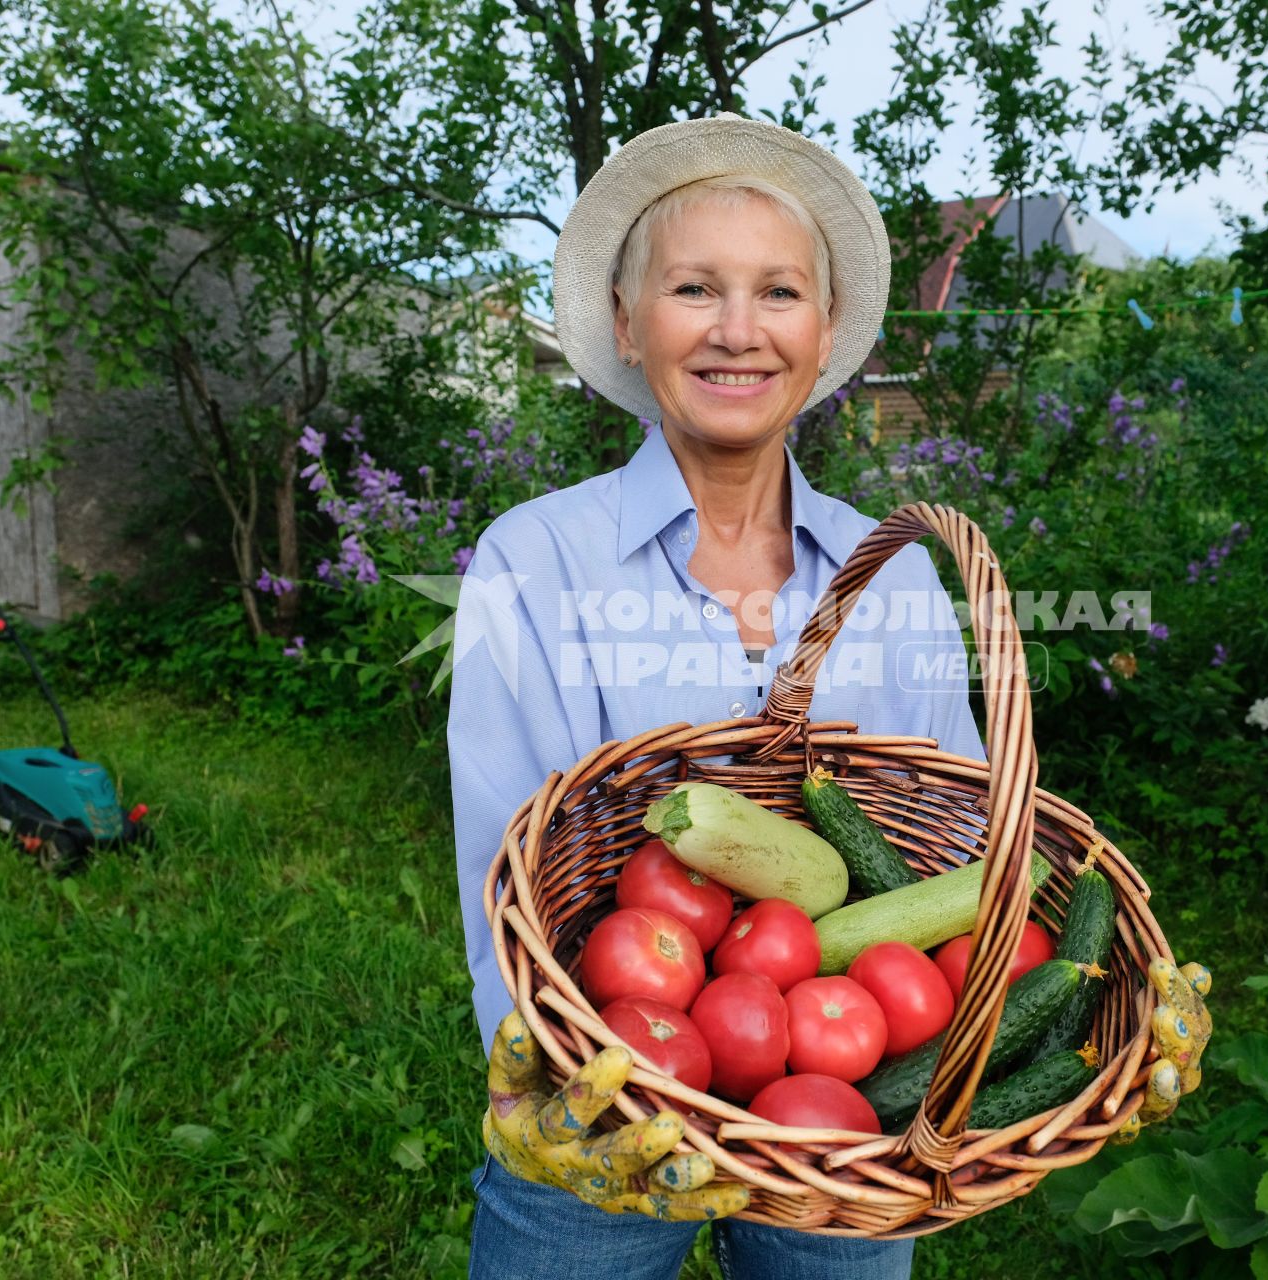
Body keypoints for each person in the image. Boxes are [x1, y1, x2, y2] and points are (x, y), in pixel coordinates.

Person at [447, 113, 1209, 1280]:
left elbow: (960, 836)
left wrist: (1066, 1003)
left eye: (780, 292)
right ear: (625, 320)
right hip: (606, 1078)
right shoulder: (535, 556)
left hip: (842, 1120)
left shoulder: (896, 566)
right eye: (696, 287)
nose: (738, 330)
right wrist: (548, 1070)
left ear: (824, 329)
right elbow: (506, 838)